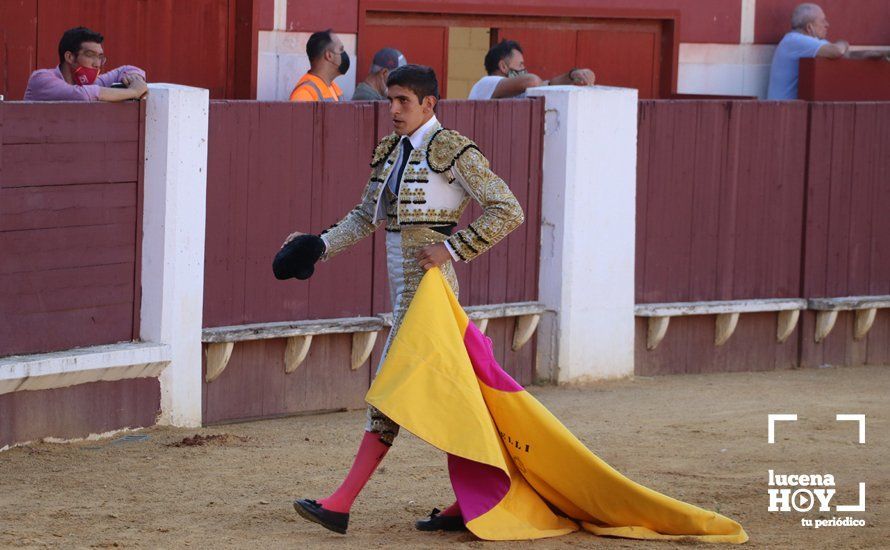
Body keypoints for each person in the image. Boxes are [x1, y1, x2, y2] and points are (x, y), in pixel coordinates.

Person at [283, 64, 524, 534]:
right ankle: (471, 502)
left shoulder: (452, 150)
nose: (392, 109)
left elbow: (507, 208)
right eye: (389, 99)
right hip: (405, 293)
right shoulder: (391, 151)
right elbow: (363, 217)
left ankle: (340, 503)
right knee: (453, 397)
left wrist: (453, 247)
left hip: (430, 293)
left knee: (391, 391)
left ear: (428, 105)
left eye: (402, 102)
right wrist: (319, 246)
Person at [23, 27, 147, 102]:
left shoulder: (88, 82)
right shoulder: (40, 78)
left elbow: (127, 69)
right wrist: (134, 92)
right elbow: (80, 95)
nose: (97, 64)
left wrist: (134, 77)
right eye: (90, 55)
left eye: (100, 57)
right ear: (70, 57)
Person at [766, 3, 850, 100]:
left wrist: (867, 54)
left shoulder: (809, 41)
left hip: (790, 108)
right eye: (822, 21)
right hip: (781, 110)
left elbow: (843, 55)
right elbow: (837, 51)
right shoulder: (795, 40)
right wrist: (844, 43)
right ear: (809, 27)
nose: (827, 25)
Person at [468, 40, 595, 100]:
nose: (524, 69)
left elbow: (549, 85)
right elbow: (533, 82)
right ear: (503, 67)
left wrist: (573, 75)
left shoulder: (514, 90)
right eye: (520, 65)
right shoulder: (485, 83)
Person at [290, 29, 349, 102]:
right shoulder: (304, 94)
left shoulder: (334, 87)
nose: (344, 53)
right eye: (341, 49)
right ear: (329, 56)